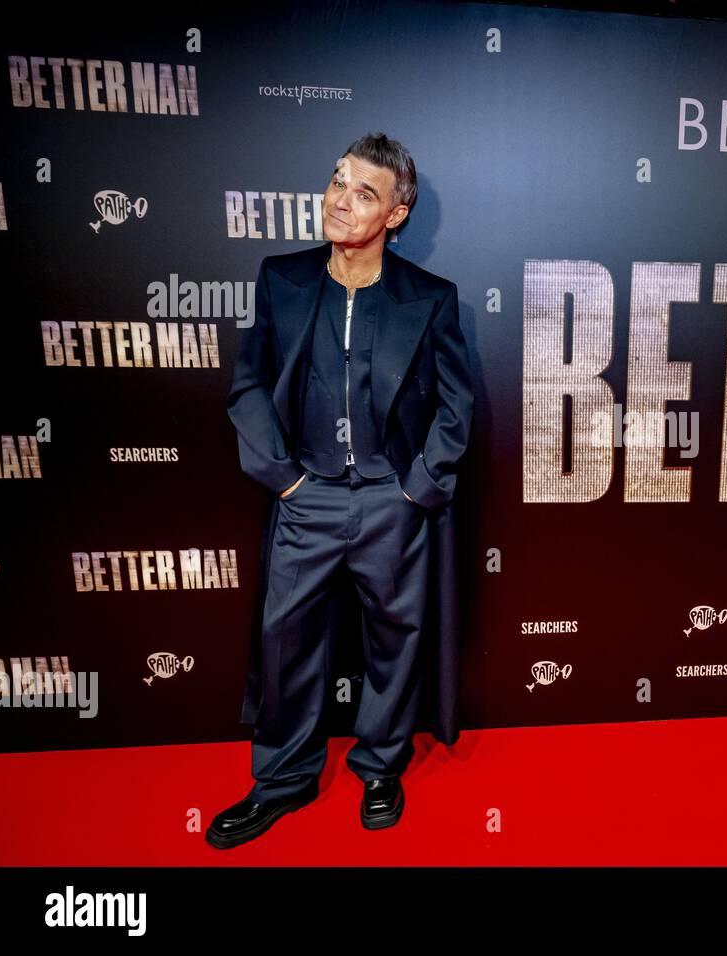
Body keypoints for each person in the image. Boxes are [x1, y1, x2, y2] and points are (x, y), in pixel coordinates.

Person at [209, 132, 473, 849]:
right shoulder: (282, 280)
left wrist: (418, 488)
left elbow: (457, 404)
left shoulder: (430, 299)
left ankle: (381, 767)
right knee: (286, 642)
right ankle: (282, 782)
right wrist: (284, 478)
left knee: (396, 640)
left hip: (394, 502)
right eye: (335, 182)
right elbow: (250, 387)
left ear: (396, 213)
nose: (340, 200)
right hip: (308, 497)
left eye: (364, 192)